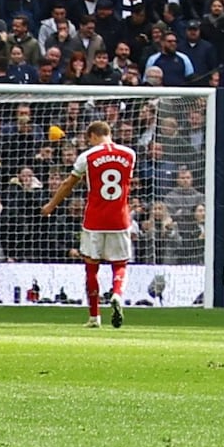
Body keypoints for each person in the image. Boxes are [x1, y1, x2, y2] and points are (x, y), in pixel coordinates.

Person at [76, 127, 143, 329]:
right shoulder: (130, 154)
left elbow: (73, 181)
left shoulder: (87, 156)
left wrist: (51, 205)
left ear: (93, 136)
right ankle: (117, 293)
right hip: (120, 219)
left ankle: (94, 317)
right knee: (120, 264)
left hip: (94, 220)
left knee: (91, 267)